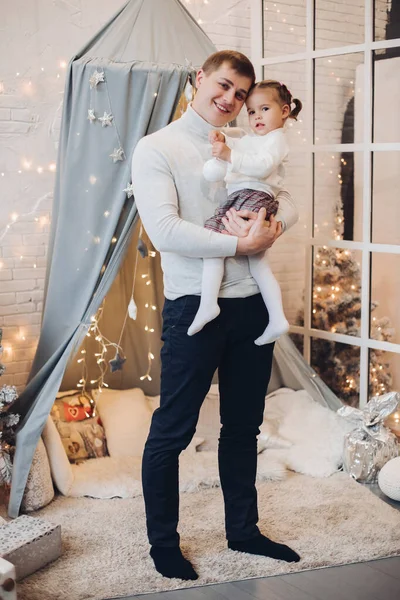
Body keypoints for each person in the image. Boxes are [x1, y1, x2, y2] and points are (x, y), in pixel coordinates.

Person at [131, 50, 300, 582]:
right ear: (200, 79)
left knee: (243, 427)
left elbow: (286, 196)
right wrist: (239, 241)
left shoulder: (251, 144)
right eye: (223, 87)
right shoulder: (157, 147)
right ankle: (163, 544)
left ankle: (243, 532)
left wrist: (275, 225)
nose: (229, 101)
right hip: (193, 308)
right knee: (172, 431)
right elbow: (165, 230)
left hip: (252, 308)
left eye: (240, 96)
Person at [188, 80, 303, 344]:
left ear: (284, 111)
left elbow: (261, 166)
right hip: (240, 197)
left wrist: (229, 154)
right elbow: (241, 149)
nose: (257, 116)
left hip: (255, 197)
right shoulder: (254, 139)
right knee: (235, 253)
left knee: (236, 252)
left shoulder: (277, 139)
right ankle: (217, 305)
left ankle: (267, 316)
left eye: (264, 109)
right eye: (251, 111)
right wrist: (223, 141)